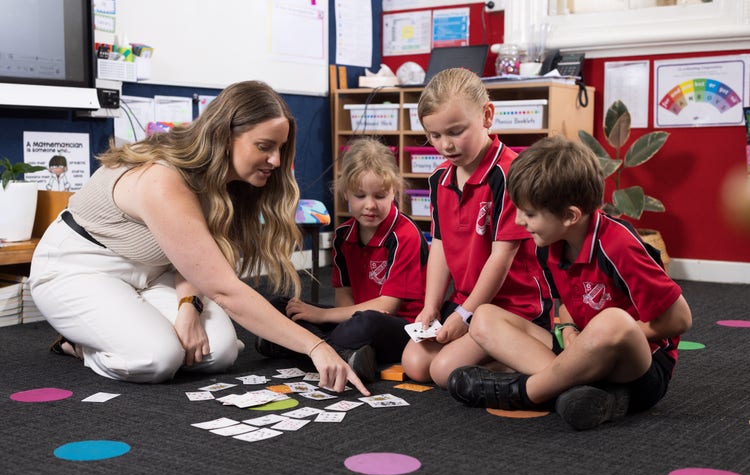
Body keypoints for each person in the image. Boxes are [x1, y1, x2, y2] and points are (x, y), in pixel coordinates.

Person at [29, 80, 368, 394]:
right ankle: (79, 344)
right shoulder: (162, 180)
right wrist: (315, 346)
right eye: (265, 147)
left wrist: (188, 307)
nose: (276, 161)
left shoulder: (227, 180)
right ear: (224, 136)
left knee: (218, 352)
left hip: (155, 270)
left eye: (280, 148)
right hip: (80, 268)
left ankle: (120, 330)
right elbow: (224, 290)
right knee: (157, 358)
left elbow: (196, 261)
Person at [448, 136, 693, 430]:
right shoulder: (547, 244)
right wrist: (570, 329)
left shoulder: (618, 246)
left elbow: (680, 319)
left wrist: (597, 338)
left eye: (529, 214)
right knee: (484, 317)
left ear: (570, 216)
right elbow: (566, 306)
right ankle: (574, 393)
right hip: (581, 355)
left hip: (641, 369)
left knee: (612, 321)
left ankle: (529, 391)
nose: (520, 223)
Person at [401, 68, 553, 388]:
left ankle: (528, 355)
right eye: (435, 136)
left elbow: (502, 257)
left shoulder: (509, 173)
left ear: (486, 116)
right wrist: (431, 307)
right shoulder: (439, 178)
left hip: (514, 309)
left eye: (456, 132)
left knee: (444, 372)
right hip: (465, 303)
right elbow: (439, 245)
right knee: (415, 365)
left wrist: (465, 315)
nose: (446, 145)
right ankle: (504, 356)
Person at [256, 137, 429, 382]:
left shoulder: (406, 234)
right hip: (353, 319)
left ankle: (292, 343)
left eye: (380, 196)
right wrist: (321, 315)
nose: (370, 205)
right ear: (345, 192)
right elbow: (343, 302)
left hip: (400, 327)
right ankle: (343, 353)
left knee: (365, 322)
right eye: (360, 195)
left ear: (394, 191)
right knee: (279, 306)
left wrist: (321, 316)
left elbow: (386, 307)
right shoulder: (342, 236)